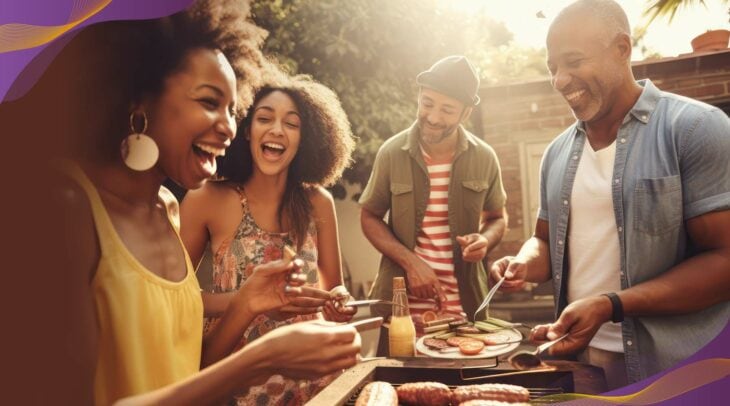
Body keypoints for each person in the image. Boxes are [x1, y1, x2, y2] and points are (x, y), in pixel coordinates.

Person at [30, 2, 361, 404]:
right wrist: (260, 358)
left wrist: (245, 303)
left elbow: (188, 375)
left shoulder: (167, 208)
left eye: (232, 109)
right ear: (139, 99)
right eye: (209, 102)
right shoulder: (65, 206)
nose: (228, 127)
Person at [490, 0, 730, 389]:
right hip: (580, 360)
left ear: (622, 49)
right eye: (553, 68)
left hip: (677, 369)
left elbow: (725, 262)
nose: (560, 80)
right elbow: (544, 240)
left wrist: (611, 305)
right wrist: (521, 262)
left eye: (573, 61)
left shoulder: (695, 128)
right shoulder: (555, 153)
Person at [180, 75, 357, 404]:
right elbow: (179, 298)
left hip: (315, 374)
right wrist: (248, 300)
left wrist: (339, 302)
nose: (277, 130)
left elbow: (333, 285)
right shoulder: (206, 198)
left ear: (305, 138)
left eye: (292, 124)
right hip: (241, 373)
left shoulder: (318, 201)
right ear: (246, 130)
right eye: (264, 118)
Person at [359, 55, 508, 355]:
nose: (434, 116)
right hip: (401, 312)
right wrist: (412, 263)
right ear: (418, 96)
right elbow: (369, 217)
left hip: (465, 314)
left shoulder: (485, 157)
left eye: (447, 109)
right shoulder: (391, 153)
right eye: (427, 103)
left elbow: (497, 217)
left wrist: (485, 240)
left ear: (466, 112)